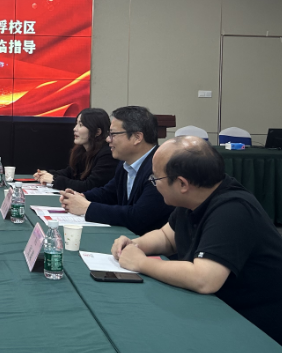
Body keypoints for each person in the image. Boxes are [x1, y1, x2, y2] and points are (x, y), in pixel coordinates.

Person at [112, 136, 282, 345]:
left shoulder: (233, 210)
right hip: (218, 312)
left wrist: (141, 263)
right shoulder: (194, 198)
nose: (154, 184)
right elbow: (166, 237)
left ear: (182, 184)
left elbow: (204, 279)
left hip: (255, 329)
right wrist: (134, 245)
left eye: (156, 178)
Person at [60, 106, 173, 236]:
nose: (108, 139)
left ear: (137, 137)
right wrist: (81, 197)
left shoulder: (161, 168)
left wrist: (87, 208)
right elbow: (109, 193)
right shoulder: (125, 164)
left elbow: (138, 217)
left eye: (113, 134)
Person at [33, 108, 118, 192]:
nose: (74, 129)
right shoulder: (82, 150)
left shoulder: (107, 154)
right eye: (76, 124)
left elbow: (89, 186)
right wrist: (47, 174)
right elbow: (71, 172)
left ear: (97, 132)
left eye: (80, 125)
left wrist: (54, 180)